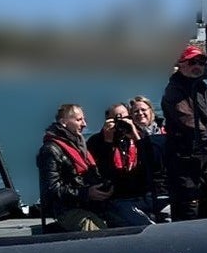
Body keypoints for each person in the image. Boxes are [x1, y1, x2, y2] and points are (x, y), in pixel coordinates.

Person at [36, 103, 113, 231]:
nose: (84, 124)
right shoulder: (50, 150)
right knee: (98, 230)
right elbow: (51, 189)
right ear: (63, 122)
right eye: (79, 120)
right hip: (67, 209)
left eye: (84, 119)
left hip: (90, 205)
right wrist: (86, 193)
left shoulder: (79, 145)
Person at [162, 43, 207, 220]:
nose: (198, 66)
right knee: (189, 205)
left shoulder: (202, 87)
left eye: (201, 62)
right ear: (181, 64)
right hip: (185, 158)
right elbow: (188, 121)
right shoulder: (174, 90)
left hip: (205, 154)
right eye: (193, 62)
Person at [86, 103, 152, 226]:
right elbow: (100, 172)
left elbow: (151, 163)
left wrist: (135, 136)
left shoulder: (139, 136)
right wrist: (108, 142)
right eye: (118, 119)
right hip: (116, 197)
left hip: (141, 194)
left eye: (126, 118)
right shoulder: (96, 141)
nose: (122, 123)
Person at [128, 94, 169, 216]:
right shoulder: (127, 136)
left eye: (143, 110)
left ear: (151, 111)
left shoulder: (164, 131)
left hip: (165, 185)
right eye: (136, 112)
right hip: (142, 189)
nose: (140, 113)